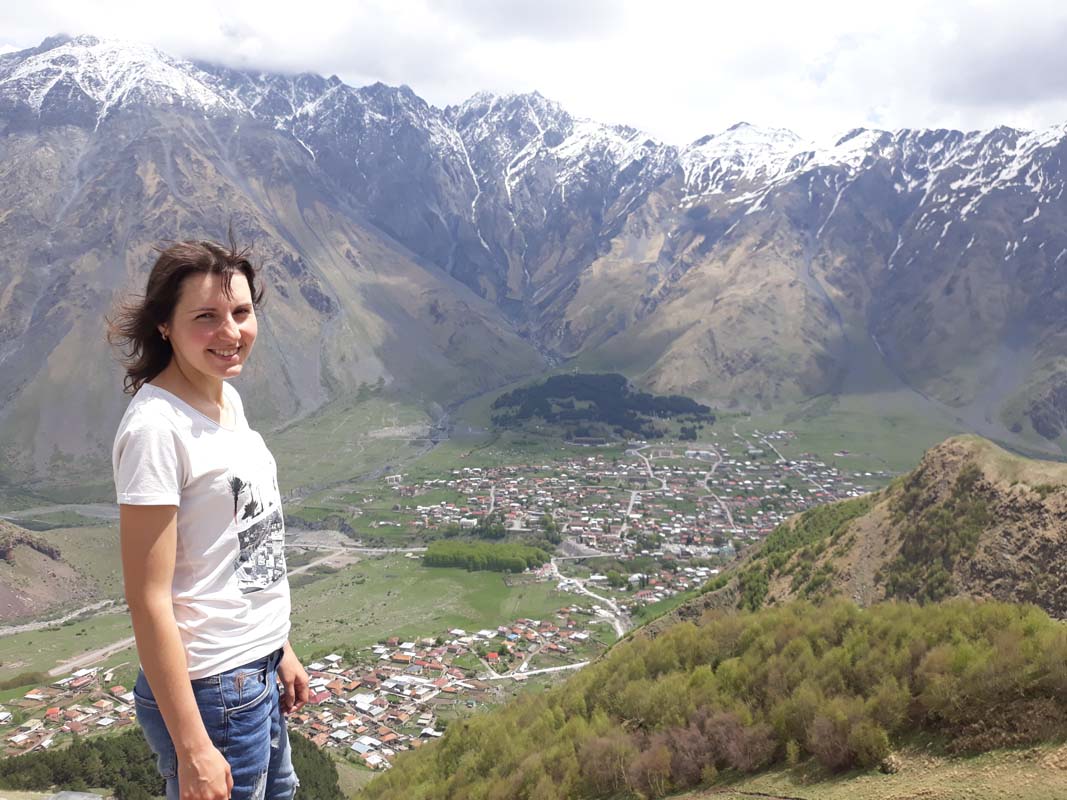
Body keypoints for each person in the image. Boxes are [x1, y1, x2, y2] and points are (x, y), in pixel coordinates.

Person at [109, 237, 308, 800]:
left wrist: (278, 646)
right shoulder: (156, 430)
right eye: (206, 317)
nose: (231, 332)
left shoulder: (224, 399)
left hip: (253, 671)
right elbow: (148, 599)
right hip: (212, 691)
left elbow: (244, 542)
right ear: (164, 326)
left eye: (241, 312)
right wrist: (194, 746)